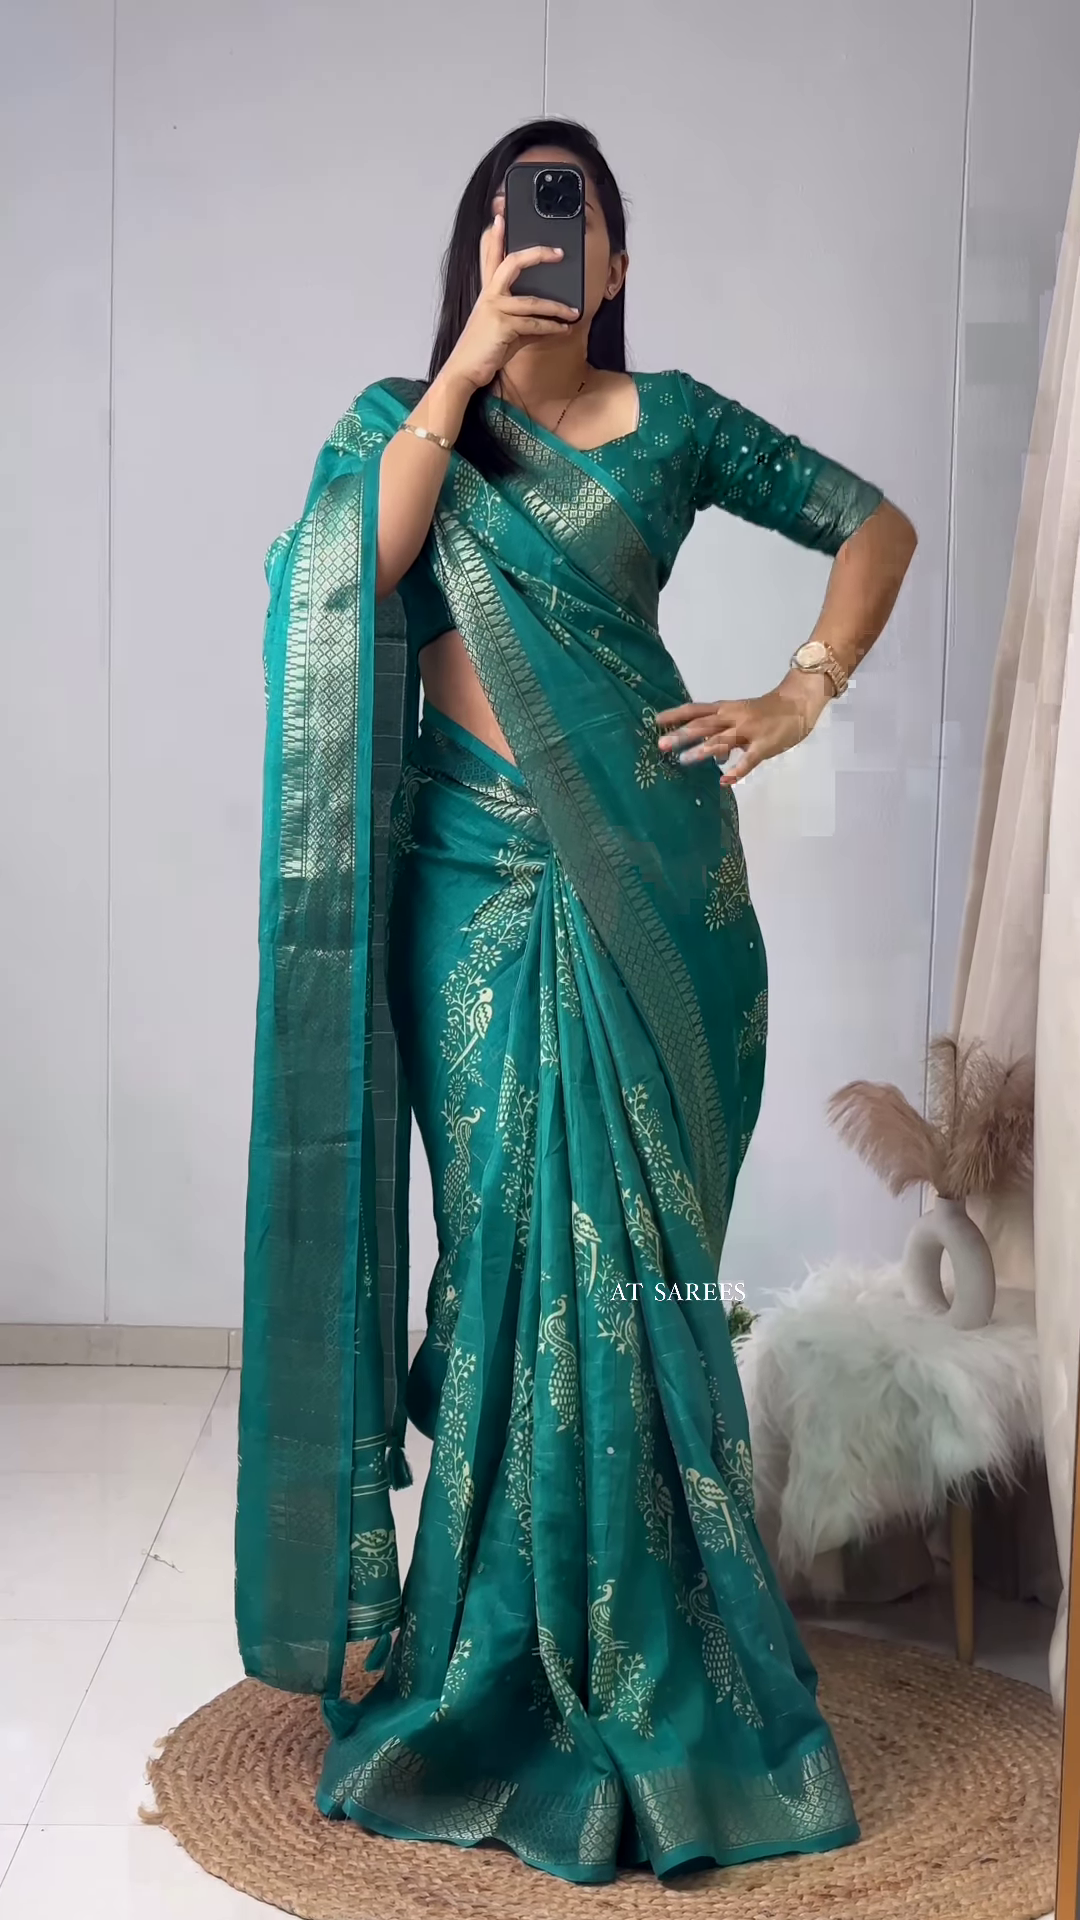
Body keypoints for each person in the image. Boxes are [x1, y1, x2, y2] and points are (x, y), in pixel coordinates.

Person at [235, 117, 917, 1885]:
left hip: (650, 894)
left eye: (574, 216)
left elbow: (874, 522)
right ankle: (491, 1647)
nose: (540, 239)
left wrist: (802, 690)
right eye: (510, 213)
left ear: (619, 262)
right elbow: (346, 579)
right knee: (505, 1266)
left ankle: (659, 1646)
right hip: (466, 893)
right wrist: (461, 371)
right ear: (476, 249)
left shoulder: (672, 421)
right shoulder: (405, 422)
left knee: (639, 1278)